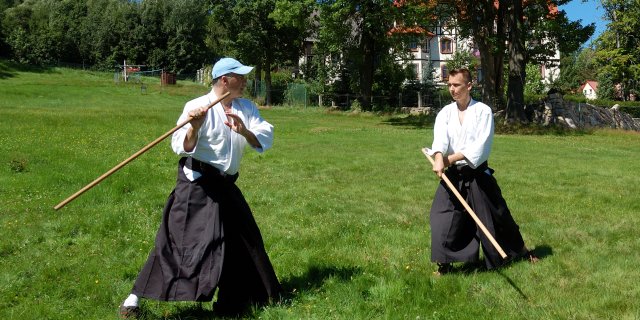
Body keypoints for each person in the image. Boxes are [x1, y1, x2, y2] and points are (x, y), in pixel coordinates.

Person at [119, 57, 281, 318]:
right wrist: (194, 128)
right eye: (241, 77)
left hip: (226, 185)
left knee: (244, 238)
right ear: (225, 80)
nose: (246, 82)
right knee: (177, 242)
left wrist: (244, 132)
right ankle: (133, 299)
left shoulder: (246, 108)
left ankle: (238, 300)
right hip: (197, 183)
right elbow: (181, 145)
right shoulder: (196, 106)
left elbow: (264, 135)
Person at [426, 68, 538, 275]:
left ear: (469, 86)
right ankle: (445, 264)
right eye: (449, 85)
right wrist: (439, 158)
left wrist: (448, 159)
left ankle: (521, 251)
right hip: (452, 176)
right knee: (442, 217)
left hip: (476, 173)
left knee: (498, 217)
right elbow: (440, 139)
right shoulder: (445, 113)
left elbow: (480, 146)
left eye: (456, 85)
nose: (452, 89)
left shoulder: (483, 111)